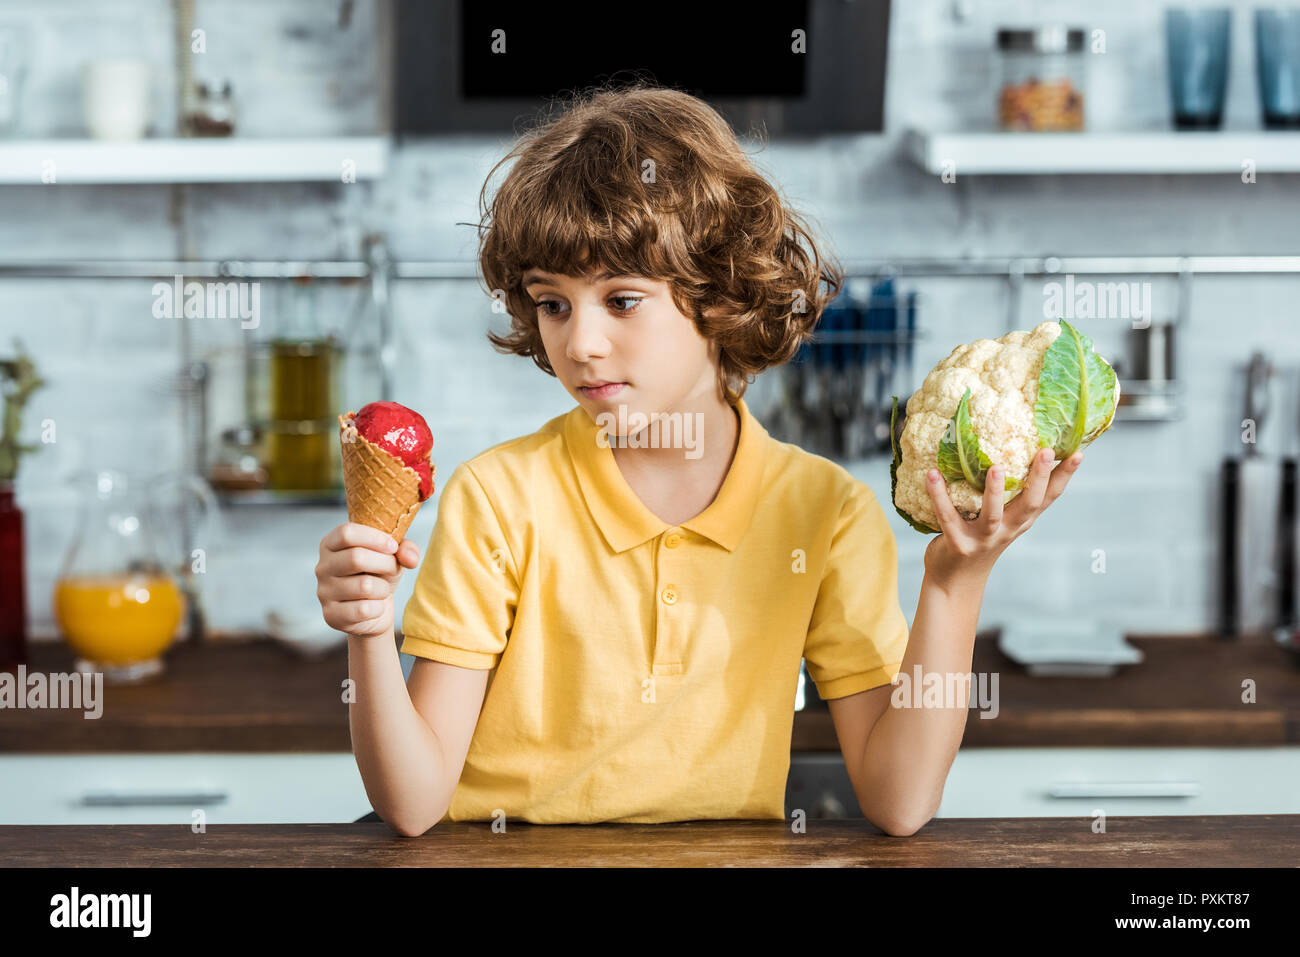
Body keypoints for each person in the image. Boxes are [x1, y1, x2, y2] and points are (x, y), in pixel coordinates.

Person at [315, 81, 1083, 837]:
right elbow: (413, 805)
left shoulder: (823, 511)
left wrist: (954, 584)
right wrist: (368, 627)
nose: (578, 343)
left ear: (719, 296)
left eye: (621, 300)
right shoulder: (501, 496)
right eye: (553, 303)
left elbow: (901, 798)